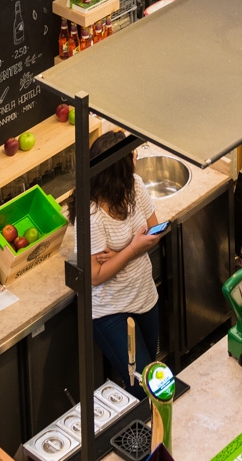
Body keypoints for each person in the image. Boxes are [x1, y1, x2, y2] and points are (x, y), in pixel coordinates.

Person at [86, 145, 163, 398]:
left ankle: (153, 433)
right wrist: (133, 249)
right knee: (144, 388)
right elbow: (95, 276)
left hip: (144, 296)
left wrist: (120, 255)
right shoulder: (92, 215)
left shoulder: (135, 186)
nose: (137, 156)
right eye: (132, 155)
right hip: (111, 310)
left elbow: (155, 233)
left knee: (149, 376)